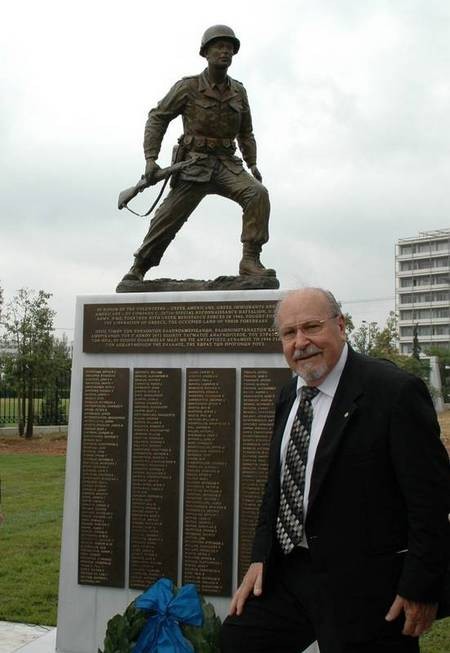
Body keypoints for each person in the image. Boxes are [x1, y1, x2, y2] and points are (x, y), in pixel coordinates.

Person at [221, 288, 450, 653]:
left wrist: (421, 586)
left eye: (312, 327)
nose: (301, 342)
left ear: (340, 326)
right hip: (292, 573)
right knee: (238, 639)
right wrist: (261, 557)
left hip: (367, 584)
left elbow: (432, 502)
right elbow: (277, 486)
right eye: (289, 333)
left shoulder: (393, 392)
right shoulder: (289, 395)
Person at [122, 25, 274, 282]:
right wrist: (151, 158)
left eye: (229, 48)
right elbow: (157, 118)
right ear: (205, 52)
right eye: (219, 47)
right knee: (167, 218)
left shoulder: (239, 91)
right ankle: (139, 267)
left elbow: (246, 132)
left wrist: (253, 163)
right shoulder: (188, 87)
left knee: (257, 194)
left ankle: (250, 260)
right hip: (194, 165)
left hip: (227, 164)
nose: (225, 52)